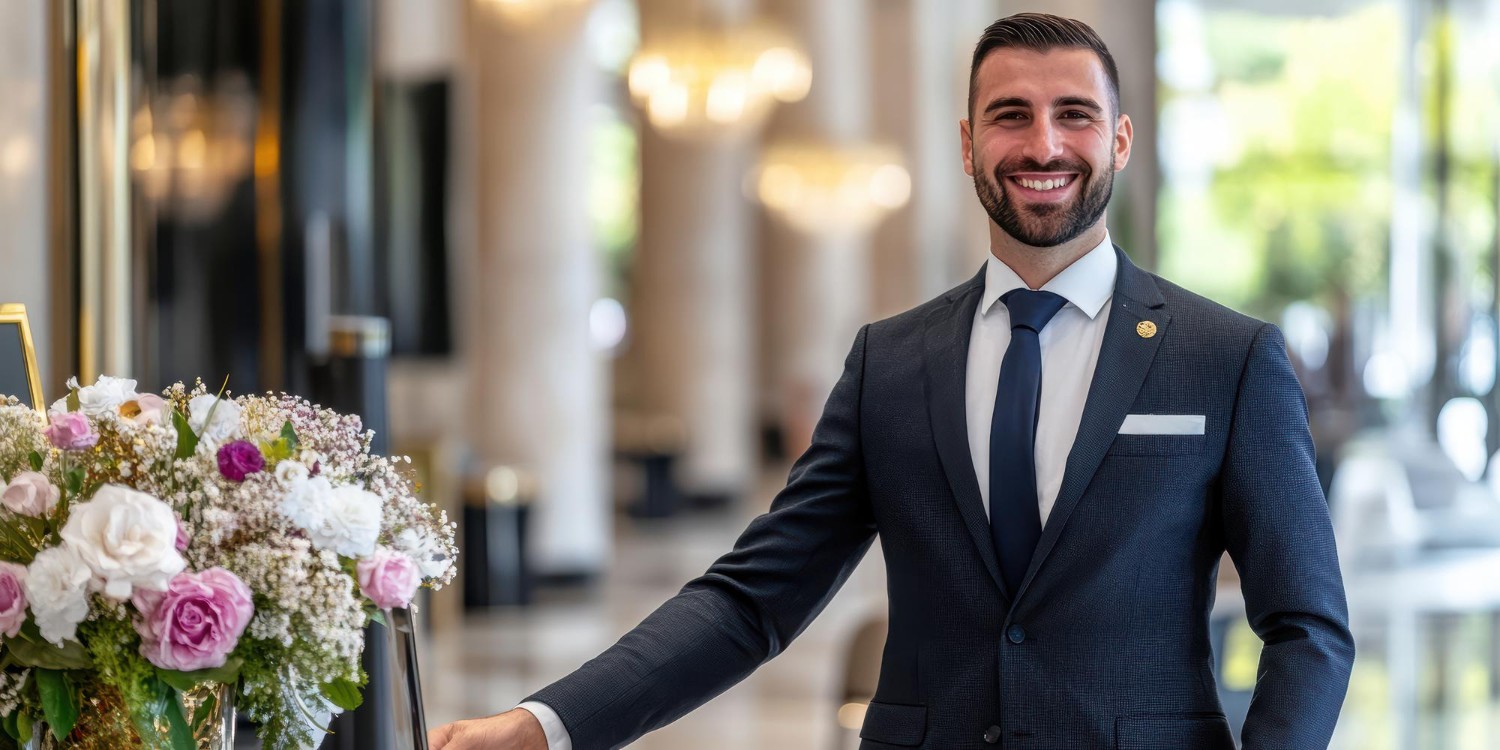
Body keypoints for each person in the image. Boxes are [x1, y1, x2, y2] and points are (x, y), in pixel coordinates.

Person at [430, 12, 1354, 750]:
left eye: (1073, 113)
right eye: (1009, 115)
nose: (1043, 144)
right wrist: (547, 728)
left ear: (1117, 140)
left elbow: (1308, 628)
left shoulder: (1224, 357)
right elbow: (754, 599)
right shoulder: (893, 362)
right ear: (966, 144)